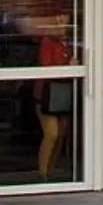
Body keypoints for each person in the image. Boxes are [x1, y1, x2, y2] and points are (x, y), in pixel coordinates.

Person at [34, 21, 74, 180]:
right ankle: (42, 173)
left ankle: (51, 170)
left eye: (64, 20)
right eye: (57, 21)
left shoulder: (69, 42)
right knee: (52, 133)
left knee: (62, 134)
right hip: (45, 95)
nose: (61, 24)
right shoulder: (47, 41)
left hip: (63, 94)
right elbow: (47, 66)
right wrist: (68, 66)